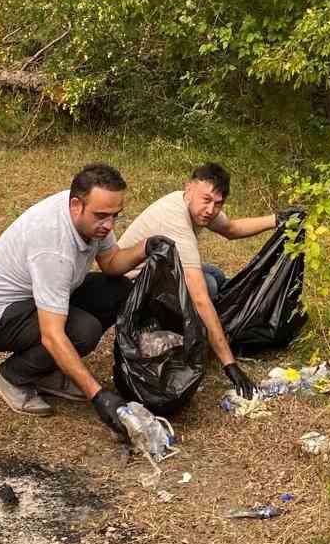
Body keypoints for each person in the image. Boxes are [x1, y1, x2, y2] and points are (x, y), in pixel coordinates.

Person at [0, 163, 156, 436]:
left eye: (115, 216)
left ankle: (46, 371)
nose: (109, 225)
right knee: (82, 331)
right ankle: (13, 377)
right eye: (102, 216)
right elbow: (52, 335)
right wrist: (99, 395)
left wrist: (146, 248)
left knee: (117, 290)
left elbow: (111, 263)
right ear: (76, 205)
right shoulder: (54, 246)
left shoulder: (89, 215)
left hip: (42, 296)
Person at [116, 163, 278, 399]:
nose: (211, 209)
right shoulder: (175, 219)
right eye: (206, 199)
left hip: (157, 273)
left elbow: (232, 229)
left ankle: (199, 328)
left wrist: (276, 219)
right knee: (209, 286)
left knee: (216, 276)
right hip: (131, 287)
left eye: (218, 203)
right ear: (189, 188)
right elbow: (200, 298)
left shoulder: (195, 205)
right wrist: (230, 365)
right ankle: (168, 331)